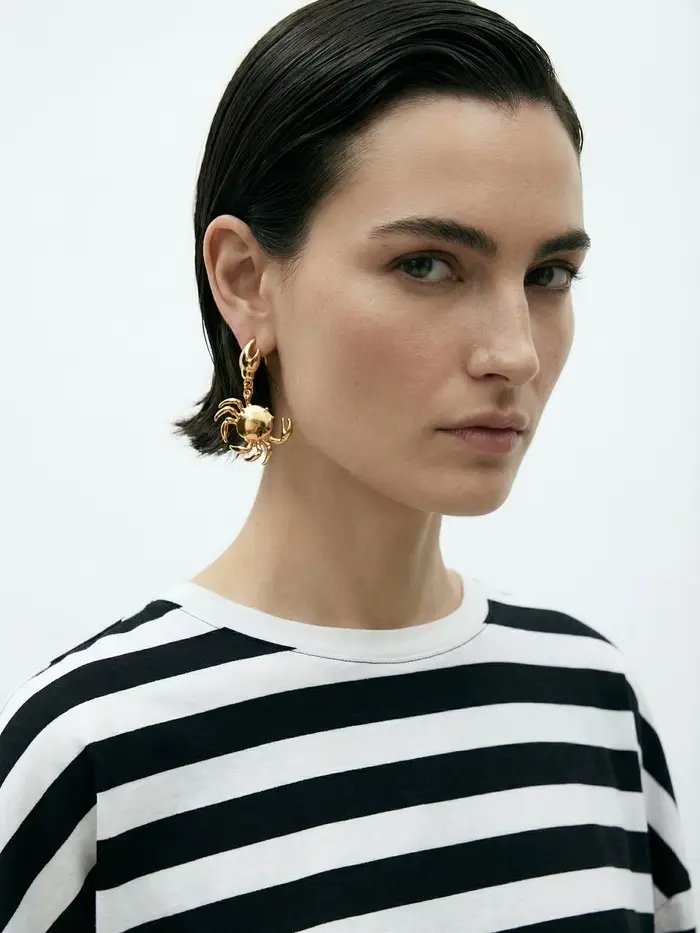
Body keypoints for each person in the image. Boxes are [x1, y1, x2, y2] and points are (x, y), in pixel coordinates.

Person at [0, 0, 695, 929]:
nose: (516, 352)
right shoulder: (90, 756)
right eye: (427, 265)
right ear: (246, 279)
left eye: (549, 275)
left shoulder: (595, 701)